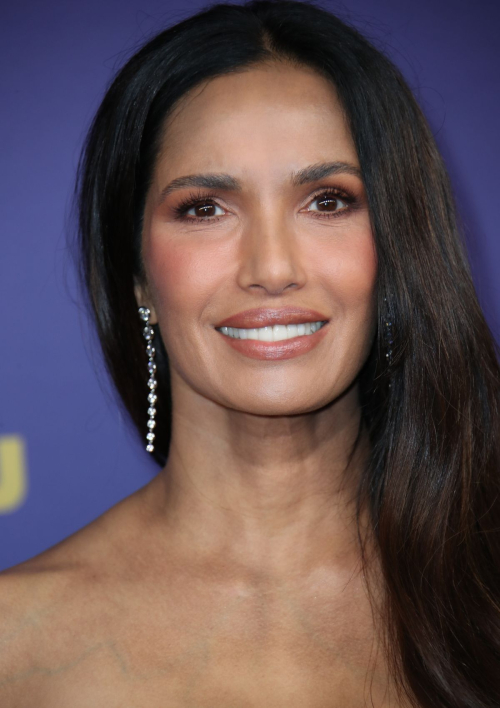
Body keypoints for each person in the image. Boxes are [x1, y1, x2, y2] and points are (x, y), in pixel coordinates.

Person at [1, 1, 499, 705]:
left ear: (397, 248)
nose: (271, 265)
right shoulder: (15, 642)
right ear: (136, 272)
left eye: (327, 201)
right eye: (205, 208)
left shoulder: (483, 589)